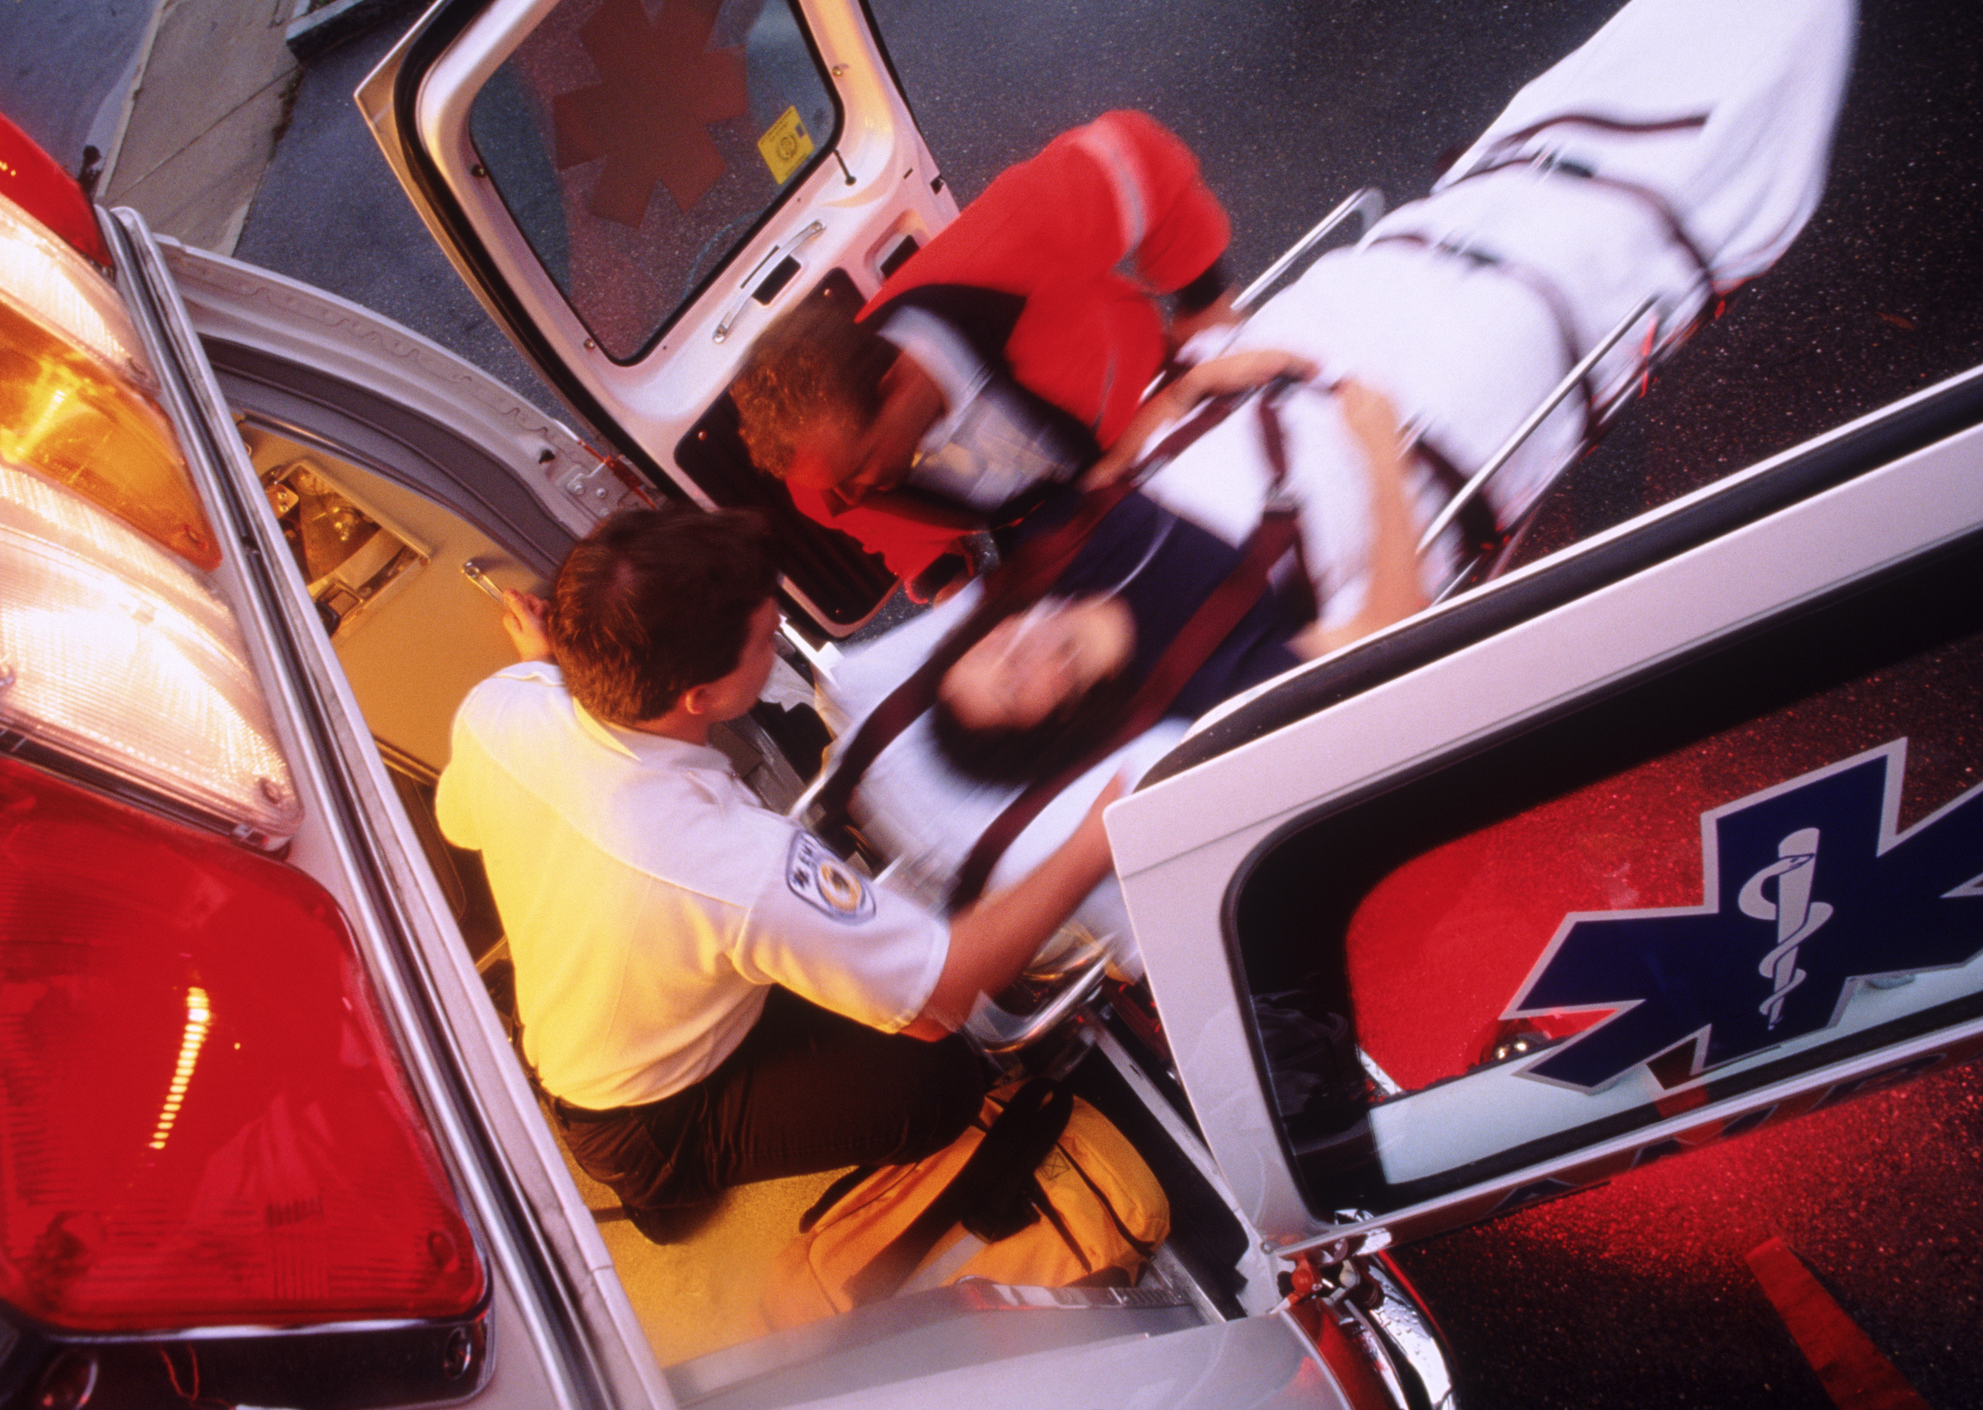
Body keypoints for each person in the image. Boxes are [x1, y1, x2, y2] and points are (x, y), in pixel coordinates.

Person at [815, 0, 1854, 947]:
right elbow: (1380, 639)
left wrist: (1197, 380)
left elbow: (1119, 464)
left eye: (983, 645)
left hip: (1303, 351)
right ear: (1052, 717)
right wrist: (1365, 438)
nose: (1009, 640)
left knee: (1498, 182)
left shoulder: (1054, 564)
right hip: (1414, 409)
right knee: (1573, 248)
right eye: (1010, 678)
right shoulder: (1198, 696)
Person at [434, 507, 1119, 1239]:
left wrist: (542, 668)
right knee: (941, 1085)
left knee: (805, 974)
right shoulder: (737, 862)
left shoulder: (500, 706)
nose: (776, 646)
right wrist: (1096, 837)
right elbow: (940, 1000)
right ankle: (666, 1186)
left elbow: (458, 823)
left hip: (621, 1004)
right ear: (702, 699)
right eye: (766, 641)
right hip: (644, 1114)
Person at [731, 110, 1237, 594]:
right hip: (1053, 520)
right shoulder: (822, 469)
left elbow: (1134, 156)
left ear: (893, 387)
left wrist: (1202, 298)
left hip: (1153, 408)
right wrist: (938, 576)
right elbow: (862, 518)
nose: (850, 497)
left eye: (854, 473)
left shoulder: (1009, 244)